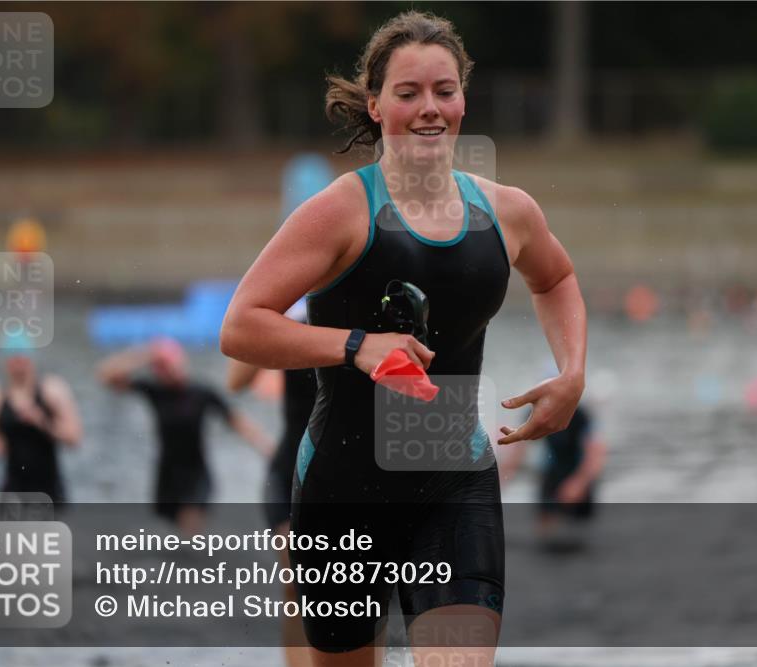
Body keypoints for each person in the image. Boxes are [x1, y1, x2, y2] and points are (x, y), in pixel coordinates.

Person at [220, 11, 586, 667]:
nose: (429, 109)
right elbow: (241, 325)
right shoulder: (340, 210)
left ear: (463, 99)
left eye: (444, 91)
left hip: (454, 485)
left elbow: (556, 277)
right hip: (341, 493)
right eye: (408, 93)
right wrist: (355, 344)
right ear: (376, 103)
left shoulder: (506, 212)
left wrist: (572, 372)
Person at [97, 338, 273, 536]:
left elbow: (236, 421)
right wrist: (145, 355)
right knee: (173, 532)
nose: (171, 371)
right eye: (163, 367)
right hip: (168, 473)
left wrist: (266, 447)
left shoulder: (201, 393)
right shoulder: (155, 391)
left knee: (190, 527)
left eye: (173, 364)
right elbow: (107, 376)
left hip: (196, 472)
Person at [229, 300, 317, 667]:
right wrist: (271, 317)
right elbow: (235, 382)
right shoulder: (293, 316)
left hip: (351, 477)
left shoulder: (365, 314)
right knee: (298, 584)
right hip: (290, 472)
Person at [0, 334, 83, 504]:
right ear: (5, 362)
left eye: (22, 359)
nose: (18, 365)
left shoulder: (52, 391)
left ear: (31, 359)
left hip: (50, 491)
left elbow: (74, 438)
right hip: (12, 490)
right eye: (13, 359)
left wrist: (42, 422)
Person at [499, 403, 607, 535]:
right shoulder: (533, 413)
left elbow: (596, 454)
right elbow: (516, 455)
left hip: (578, 470)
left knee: (581, 530)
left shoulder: (579, 414)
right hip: (552, 471)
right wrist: (497, 483)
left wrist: (579, 483)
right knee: (546, 528)